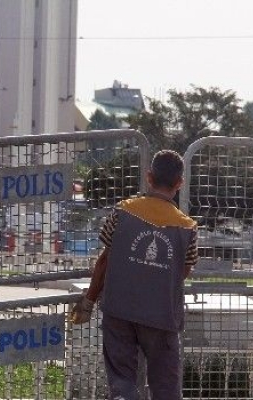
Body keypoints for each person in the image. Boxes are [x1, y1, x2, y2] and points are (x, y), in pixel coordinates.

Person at [71, 149, 198, 400]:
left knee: (122, 381)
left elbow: (105, 260)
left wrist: (89, 300)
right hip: (162, 316)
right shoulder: (188, 227)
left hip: (120, 310)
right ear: (180, 183)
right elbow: (182, 271)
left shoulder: (122, 211)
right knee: (166, 388)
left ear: (149, 177)